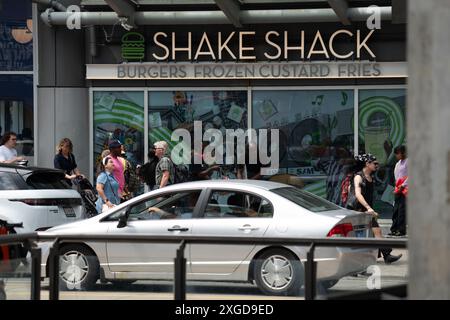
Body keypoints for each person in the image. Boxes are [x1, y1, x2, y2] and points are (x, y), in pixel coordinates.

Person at [351, 154, 402, 264]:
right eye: (374, 163)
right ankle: (358, 260)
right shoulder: (358, 177)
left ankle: (386, 255)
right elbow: (358, 194)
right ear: (367, 164)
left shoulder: (371, 177)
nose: (377, 165)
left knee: (377, 232)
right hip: (359, 210)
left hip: (368, 211)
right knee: (361, 235)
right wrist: (368, 208)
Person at [389, 145, 408, 236]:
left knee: (402, 210)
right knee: (395, 209)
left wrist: (403, 185)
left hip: (405, 189)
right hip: (398, 188)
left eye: (398, 153)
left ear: (403, 152)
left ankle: (401, 230)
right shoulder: (398, 163)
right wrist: (397, 186)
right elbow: (396, 176)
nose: (396, 155)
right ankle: (394, 228)